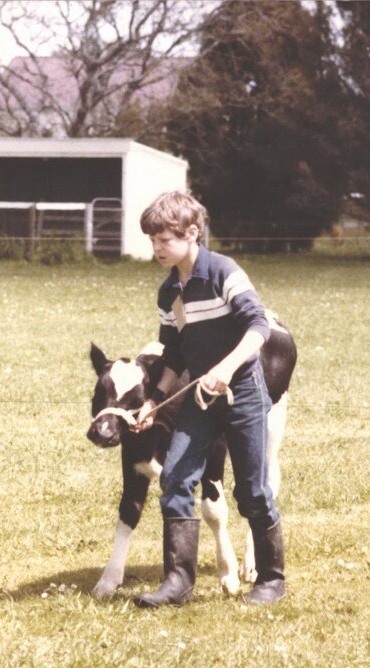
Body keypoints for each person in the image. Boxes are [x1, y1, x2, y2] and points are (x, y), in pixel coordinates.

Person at [132, 191, 285, 607]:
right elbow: (174, 354)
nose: (157, 248)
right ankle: (178, 582)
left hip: (243, 395)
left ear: (192, 233)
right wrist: (153, 401)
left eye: (165, 239)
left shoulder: (223, 272)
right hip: (200, 401)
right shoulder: (169, 292)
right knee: (175, 479)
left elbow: (259, 326)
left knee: (252, 491)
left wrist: (227, 368)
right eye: (153, 240)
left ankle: (271, 580)